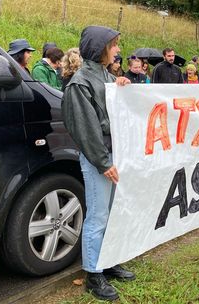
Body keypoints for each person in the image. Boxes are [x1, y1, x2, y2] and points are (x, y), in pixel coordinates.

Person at [61, 26, 135, 301]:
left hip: (113, 154)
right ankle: (93, 273)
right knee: (98, 215)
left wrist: (121, 87)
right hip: (99, 158)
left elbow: (113, 109)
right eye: (113, 45)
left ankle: (109, 259)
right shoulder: (80, 83)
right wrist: (103, 162)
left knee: (113, 212)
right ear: (100, 47)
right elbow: (85, 129)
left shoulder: (105, 75)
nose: (117, 50)